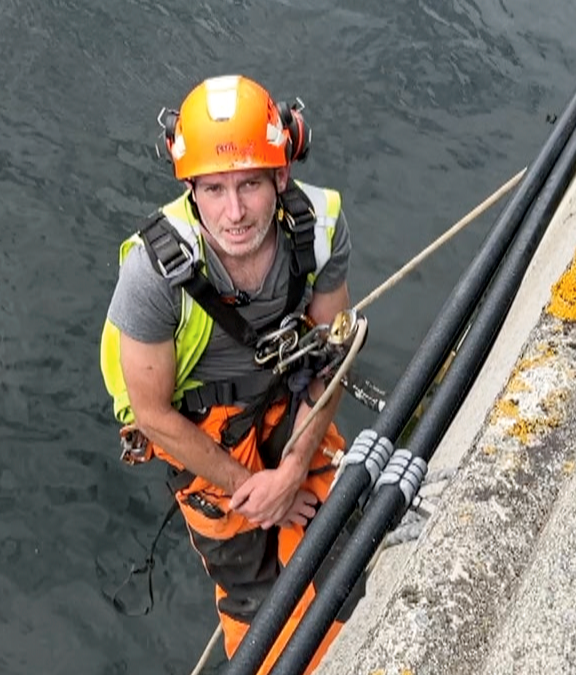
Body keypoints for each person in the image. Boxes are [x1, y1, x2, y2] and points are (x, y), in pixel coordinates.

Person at [99, 74, 361, 673]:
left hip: (293, 400)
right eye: (213, 189)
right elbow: (153, 415)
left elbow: (331, 352)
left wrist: (292, 470)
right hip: (204, 434)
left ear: (281, 176)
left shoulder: (318, 227)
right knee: (252, 591)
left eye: (249, 185)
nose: (234, 212)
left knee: (341, 537)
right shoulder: (153, 274)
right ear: (190, 187)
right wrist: (256, 493)